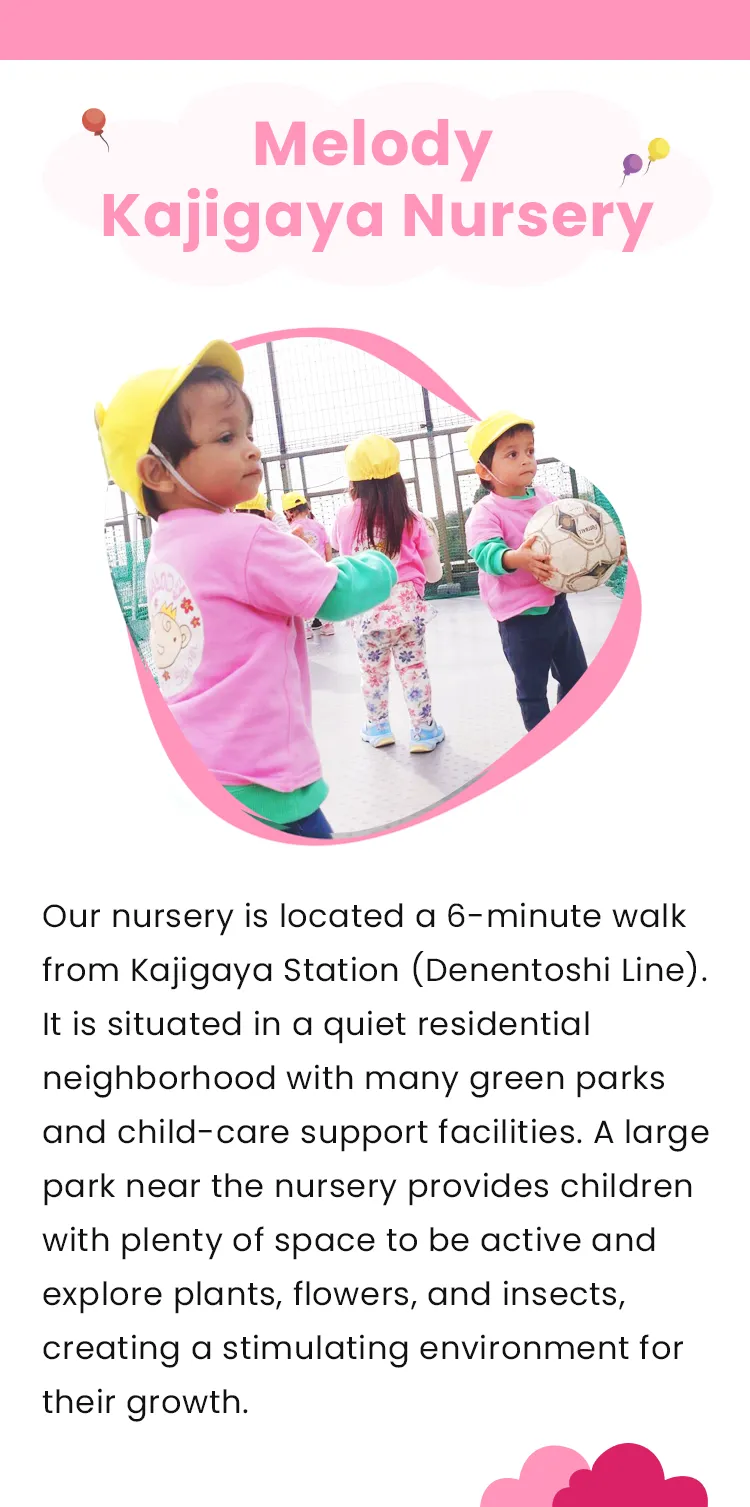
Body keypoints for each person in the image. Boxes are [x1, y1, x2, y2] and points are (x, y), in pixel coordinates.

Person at [95, 341, 396, 838]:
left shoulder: (165, 547)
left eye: (249, 433)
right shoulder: (243, 537)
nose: (252, 448)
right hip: (261, 775)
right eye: (227, 436)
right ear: (156, 471)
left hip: (195, 759)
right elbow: (336, 595)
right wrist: (380, 563)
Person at [465, 410, 624, 731]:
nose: (526, 460)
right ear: (485, 470)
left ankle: (567, 729)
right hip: (518, 620)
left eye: (530, 451)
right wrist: (516, 558)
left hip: (557, 608)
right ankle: (541, 740)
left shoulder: (547, 501)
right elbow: (484, 553)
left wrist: (608, 550)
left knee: (577, 679)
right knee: (532, 692)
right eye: (512, 454)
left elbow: (578, 543)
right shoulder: (486, 512)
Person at [332, 433, 444, 753]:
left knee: (372, 672)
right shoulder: (410, 517)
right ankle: (423, 731)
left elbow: (344, 559)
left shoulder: (344, 516)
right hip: (407, 607)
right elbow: (434, 574)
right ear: (397, 478)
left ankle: (378, 726)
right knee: (413, 668)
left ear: (353, 481)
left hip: (367, 608)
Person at [282, 492, 335, 639]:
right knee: (323, 597)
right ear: (307, 508)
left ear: (289, 512)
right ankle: (328, 625)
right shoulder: (318, 525)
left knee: (306, 599)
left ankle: (307, 630)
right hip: (320, 567)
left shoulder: (291, 530)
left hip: (302, 570)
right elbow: (327, 545)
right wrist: (329, 563)